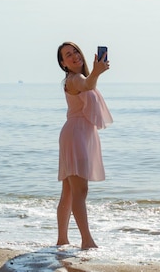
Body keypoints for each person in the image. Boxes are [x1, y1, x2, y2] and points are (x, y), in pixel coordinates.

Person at [56, 41, 113, 249]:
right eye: (68, 55)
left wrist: (95, 74)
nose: (74, 56)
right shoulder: (75, 79)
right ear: (63, 63)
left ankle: (62, 240)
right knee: (80, 191)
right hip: (76, 135)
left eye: (76, 52)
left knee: (69, 190)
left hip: (77, 134)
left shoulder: (80, 78)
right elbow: (87, 85)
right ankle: (87, 241)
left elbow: (89, 85)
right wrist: (97, 73)